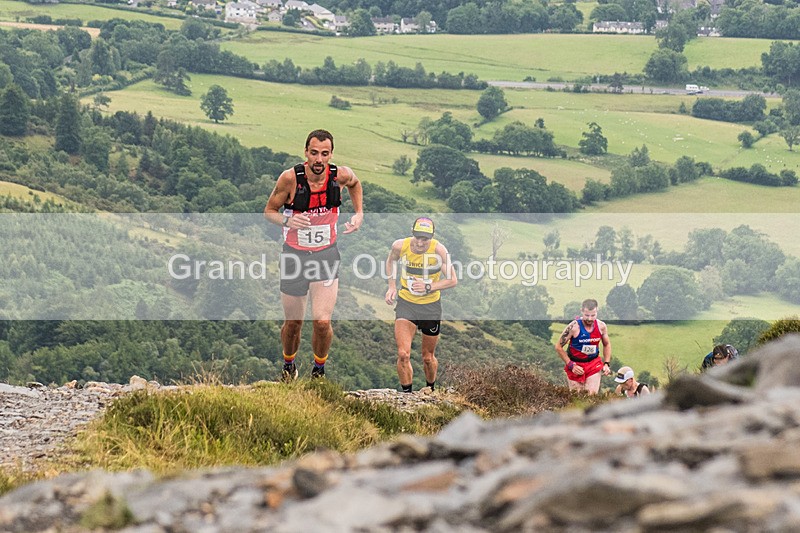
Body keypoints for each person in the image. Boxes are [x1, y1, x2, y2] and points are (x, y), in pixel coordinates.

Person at [264, 129, 363, 380]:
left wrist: (359, 212)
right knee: (293, 324)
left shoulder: (339, 175)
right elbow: (269, 211)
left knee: (321, 322)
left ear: (331, 155)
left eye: (325, 154)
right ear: (306, 152)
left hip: (326, 255)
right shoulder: (290, 179)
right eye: (314, 153)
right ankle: (289, 366)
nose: (319, 159)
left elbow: (355, 183)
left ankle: (318, 371)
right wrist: (288, 221)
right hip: (294, 257)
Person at [384, 217, 457, 393]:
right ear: (412, 234)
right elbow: (391, 261)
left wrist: (429, 286)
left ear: (431, 237)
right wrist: (392, 286)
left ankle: (430, 389)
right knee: (403, 354)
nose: (420, 242)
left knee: (427, 357)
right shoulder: (400, 246)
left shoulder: (439, 251)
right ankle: (406, 396)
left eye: (425, 238)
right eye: (417, 237)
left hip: (430, 307)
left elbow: (452, 280)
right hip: (406, 303)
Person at [555, 298, 612, 394]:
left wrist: (606, 363)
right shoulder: (573, 327)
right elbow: (558, 347)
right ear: (581, 311)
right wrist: (571, 364)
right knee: (577, 398)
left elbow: (606, 344)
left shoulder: (601, 326)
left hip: (593, 363)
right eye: (587, 315)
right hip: (576, 365)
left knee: (591, 397)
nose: (589, 319)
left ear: (597, 312)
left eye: (593, 315)